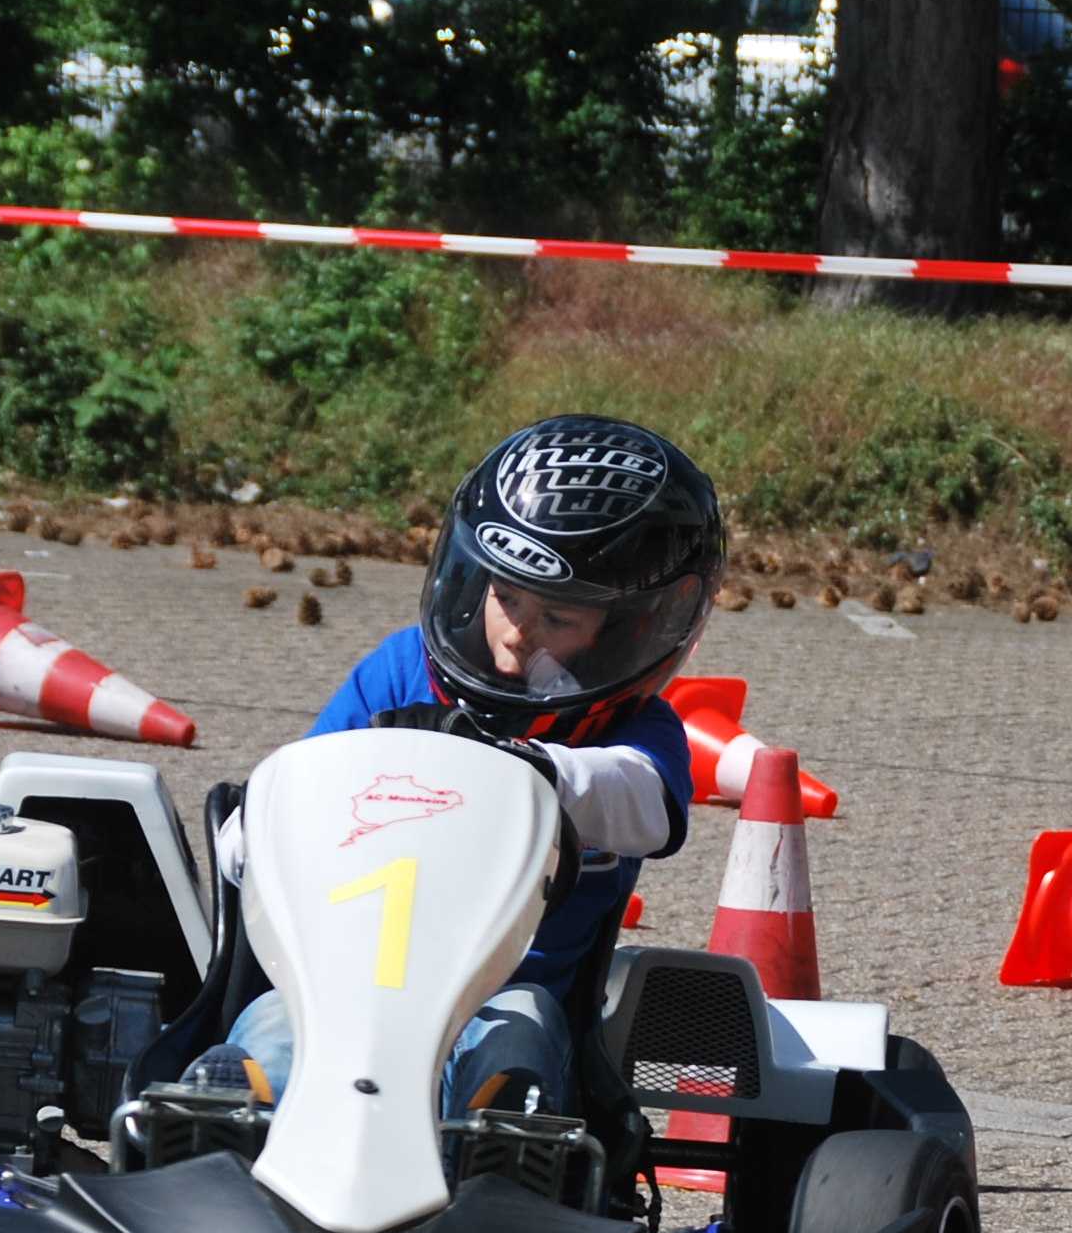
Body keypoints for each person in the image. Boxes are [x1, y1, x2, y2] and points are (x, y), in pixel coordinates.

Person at [217, 416, 716, 1113]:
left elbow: (648, 806)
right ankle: (225, 1136)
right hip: (342, 979)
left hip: (505, 992)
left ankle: (502, 1172)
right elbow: (279, 807)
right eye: (506, 598)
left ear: (633, 629)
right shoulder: (399, 673)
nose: (516, 635)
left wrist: (530, 770)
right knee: (269, 1043)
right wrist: (259, 823)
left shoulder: (627, 730)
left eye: (559, 619)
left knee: (515, 1060)